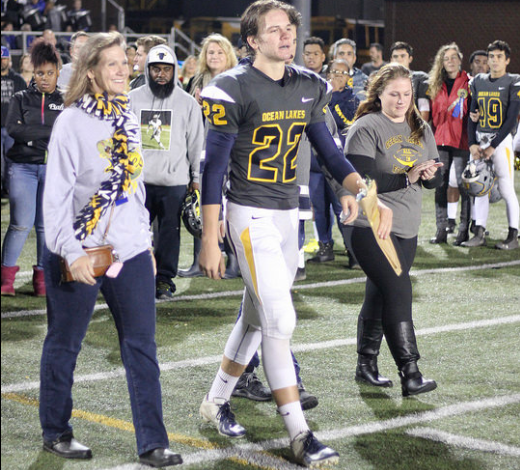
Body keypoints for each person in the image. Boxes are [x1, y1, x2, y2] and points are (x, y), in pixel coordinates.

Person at [197, 1, 391, 466]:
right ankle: (300, 435)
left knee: (256, 315)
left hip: (289, 216)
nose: (286, 36)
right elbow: (213, 168)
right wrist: (209, 236)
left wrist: (364, 192)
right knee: (280, 321)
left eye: (290, 28)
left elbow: (329, 150)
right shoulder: (231, 87)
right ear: (252, 40)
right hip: (249, 215)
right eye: (275, 30)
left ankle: (215, 402)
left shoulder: (309, 86)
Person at [40, 32, 182, 468]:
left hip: (129, 252)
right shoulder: (70, 122)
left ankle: (153, 443)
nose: (125, 69)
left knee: (142, 347)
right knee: (65, 343)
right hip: (77, 250)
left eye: (127, 62)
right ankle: (57, 432)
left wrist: (144, 242)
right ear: (91, 73)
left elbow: (132, 190)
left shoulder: (129, 114)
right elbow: (57, 198)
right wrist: (71, 251)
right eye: (114, 64)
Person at [343, 62, 441, 396]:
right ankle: (410, 373)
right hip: (370, 225)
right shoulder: (366, 126)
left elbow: (433, 180)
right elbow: (359, 180)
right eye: (393, 94)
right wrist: (406, 176)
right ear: (379, 94)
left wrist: (429, 175)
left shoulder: (420, 127)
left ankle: (365, 365)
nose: (401, 100)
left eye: (406, 94)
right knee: (399, 291)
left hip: (407, 228)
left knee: (381, 293)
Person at [129, 44, 204, 299]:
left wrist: (196, 180)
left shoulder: (188, 103)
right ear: (148, 70)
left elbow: (196, 144)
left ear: (174, 71)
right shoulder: (131, 98)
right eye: (156, 69)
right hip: (138, 181)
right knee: (134, 233)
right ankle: (136, 277)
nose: (161, 74)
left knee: (170, 234)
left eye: (166, 70)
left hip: (174, 182)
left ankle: (163, 280)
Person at [1, 39, 63, 297]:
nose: (45, 78)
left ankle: (42, 281)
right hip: (23, 168)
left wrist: (32, 133)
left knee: (45, 226)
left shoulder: (65, 99)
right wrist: (48, 132)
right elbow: (13, 129)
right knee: (19, 224)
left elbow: (66, 133)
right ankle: (5, 281)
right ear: (32, 73)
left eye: (50, 73)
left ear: (58, 72)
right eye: (40, 73)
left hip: (52, 169)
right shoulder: (19, 97)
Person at [180, 33, 238, 279]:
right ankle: (198, 261)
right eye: (210, 52)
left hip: (229, 148)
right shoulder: (196, 80)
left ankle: (234, 261)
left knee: (229, 202)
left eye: (219, 52)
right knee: (200, 200)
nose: (214, 56)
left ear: (228, 56)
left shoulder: (236, 81)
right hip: (200, 145)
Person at [463, 40, 520, 249]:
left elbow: (512, 119)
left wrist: (493, 146)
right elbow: (472, 115)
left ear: (507, 60)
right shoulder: (478, 81)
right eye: (492, 56)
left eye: (499, 57)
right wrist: (471, 143)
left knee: (505, 188)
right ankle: (479, 232)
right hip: (480, 139)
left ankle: (513, 234)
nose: (494, 60)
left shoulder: (514, 81)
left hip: (501, 141)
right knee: (479, 188)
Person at [308, 58, 359, 265]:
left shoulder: (353, 101)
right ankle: (325, 247)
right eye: (334, 71)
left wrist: (332, 97)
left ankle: (353, 252)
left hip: (338, 160)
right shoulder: (318, 95)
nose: (337, 76)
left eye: (342, 73)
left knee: (342, 206)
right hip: (314, 162)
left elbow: (346, 125)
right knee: (319, 208)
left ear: (349, 78)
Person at [427, 43, 471, 245]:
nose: (450, 61)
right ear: (441, 63)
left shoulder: (469, 83)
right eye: (446, 58)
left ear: (460, 60)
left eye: (454, 57)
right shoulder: (436, 84)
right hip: (441, 141)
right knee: (440, 185)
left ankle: (463, 231)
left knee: (464, 186)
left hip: (462, 141)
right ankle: (441, 230)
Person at [1, 46, 27, 197]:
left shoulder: (17, 79)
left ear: (9, 60)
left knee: (12, 161)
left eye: (4, 58)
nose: (1, 62)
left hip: (12, 127)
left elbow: (25, 103)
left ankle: (9, 189)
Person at [389, 41, 430, 121]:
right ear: (391, 60)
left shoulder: (419, 79)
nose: (399, 60)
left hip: (411, 126)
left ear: (410, 59)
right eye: (395, 56)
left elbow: (424, 108)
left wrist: (420, 131)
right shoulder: (384, 80)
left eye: (402, 56)